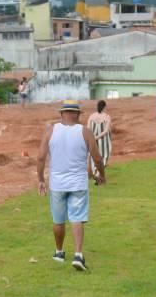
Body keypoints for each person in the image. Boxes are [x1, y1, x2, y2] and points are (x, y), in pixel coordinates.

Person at [36, 100, 106, 272]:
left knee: (58, 220)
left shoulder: (50, 131)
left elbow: (40, 158)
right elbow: (97, 158)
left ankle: (59, 252)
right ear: (78, 114)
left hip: (57, 184)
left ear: (62, 114)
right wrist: (102, 175)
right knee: (77, 218)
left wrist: (41, 180)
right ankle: (78, 255)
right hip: (78, 183)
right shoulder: (85, 132)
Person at [87, 100, 112, 169]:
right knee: (104, 155)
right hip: (104, 140)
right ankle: (99, 171)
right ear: (104, 107)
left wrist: (92, 137)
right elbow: (106, 131)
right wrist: (97, 137)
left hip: (93, 138)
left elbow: (88, 128)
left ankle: (94, 170)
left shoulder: (92, 116)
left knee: (93, 155)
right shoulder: (107, 116)